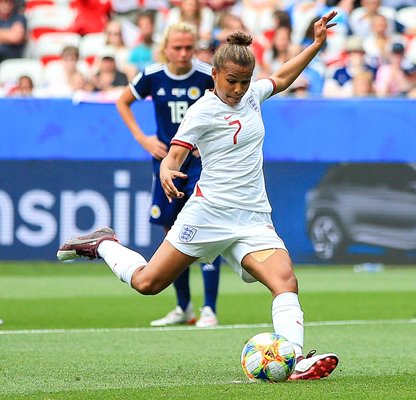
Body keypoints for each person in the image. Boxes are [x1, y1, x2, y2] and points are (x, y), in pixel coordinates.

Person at [57, 11, 340, 380]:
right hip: (207, 215)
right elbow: (175, 155)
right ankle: (103, 243)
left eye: (245, 82)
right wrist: (165, 169)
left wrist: (315, 45)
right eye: (232, 82)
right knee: (148, 284)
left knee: (285, 281)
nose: (239, 89)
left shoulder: (253, 96)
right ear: (215, 76)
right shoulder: (202, 112)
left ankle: (294, 360)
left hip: (253, 218)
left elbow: (283, 76)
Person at [115, 22, 222, 328]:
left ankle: (209, 309)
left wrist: (210, 140)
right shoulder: (152, 76)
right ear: (166, 47)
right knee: (172, 234)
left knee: (204, 230)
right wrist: (143, 138)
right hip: (165, 163)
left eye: (189, 47)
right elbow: (123, 101)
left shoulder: (206, 75)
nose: (184, 53)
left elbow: (228, 106)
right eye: (177, 48)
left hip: (199, 165)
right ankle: (183, 306)